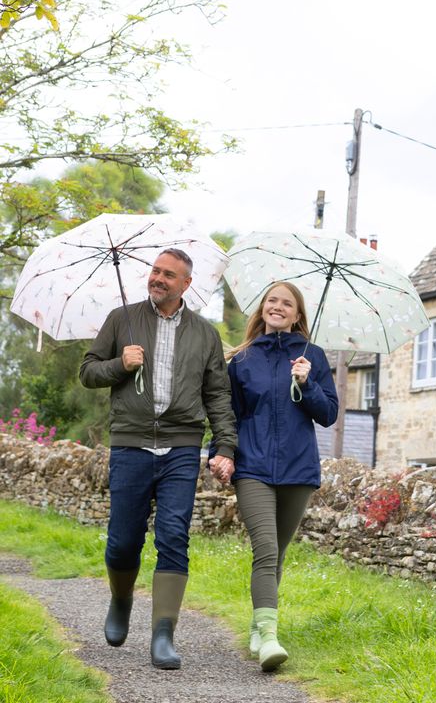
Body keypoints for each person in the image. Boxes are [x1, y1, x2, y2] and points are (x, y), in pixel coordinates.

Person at [79, 248, 236, 670]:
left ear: (186, 284)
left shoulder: (205, 334)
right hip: (130, 444)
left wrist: (225, 445)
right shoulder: (122, 319)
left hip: (181, 447)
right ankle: (121, 599)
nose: (159, 279)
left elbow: (218, 395)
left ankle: (163, 634)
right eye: (155, 271)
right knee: (123, 540)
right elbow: (89, 372)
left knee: (173, 537)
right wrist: (120, 364)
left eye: (169, 275)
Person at [222, 281, 338, 671]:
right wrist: (220, 454)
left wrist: (308, 383)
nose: (278, 306)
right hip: (252, 467)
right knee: (266, 550)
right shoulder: (241, 360)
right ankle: (270, 638)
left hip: (298, 470)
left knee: (278, 555)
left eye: (287, 303)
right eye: (271, 300)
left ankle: (258, 625)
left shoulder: (313, 357)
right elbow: (228, 416)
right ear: (262, 309)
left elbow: (328, 415)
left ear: (297, 314)